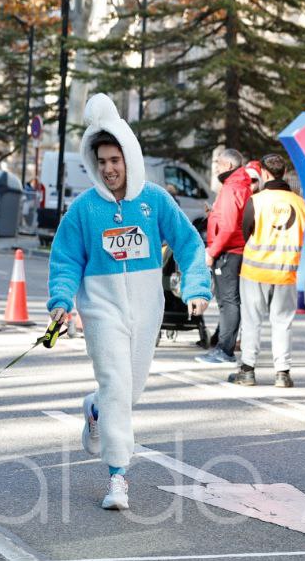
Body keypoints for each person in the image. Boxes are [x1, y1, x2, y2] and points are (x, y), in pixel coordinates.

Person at [47, 93, 211, 511]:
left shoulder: (154, 200)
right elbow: (65, 259)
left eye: (115, 160)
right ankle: (118, 475)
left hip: (147, 309)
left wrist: (196, 288)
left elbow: (189, 243)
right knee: (118, 387)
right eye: (101, 161)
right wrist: (61, 300)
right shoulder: (83, 210)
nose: (108, 168)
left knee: (128, 391)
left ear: (129, 158)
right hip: (101, 310)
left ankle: (95, 410)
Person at [228, 154, 305, 388]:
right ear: (284, 172)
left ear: (263, 173)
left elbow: (246, 231)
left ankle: (247, 370)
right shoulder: (299, 203)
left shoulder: (257, 200)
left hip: (255, 270)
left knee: (252, 321)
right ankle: (282, 373)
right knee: (283, 322)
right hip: (285, 271)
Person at [196, 148, 251, 365]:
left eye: (218, 164)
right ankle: (224, 347)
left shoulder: (231, 188)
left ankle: (224, 350)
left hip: (228, 252)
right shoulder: (241, 185)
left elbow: (228, 227)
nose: (216, 168)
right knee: (231, 301)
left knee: (228, 301)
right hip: (235, 250)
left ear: (228, 165)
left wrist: (212, 252)